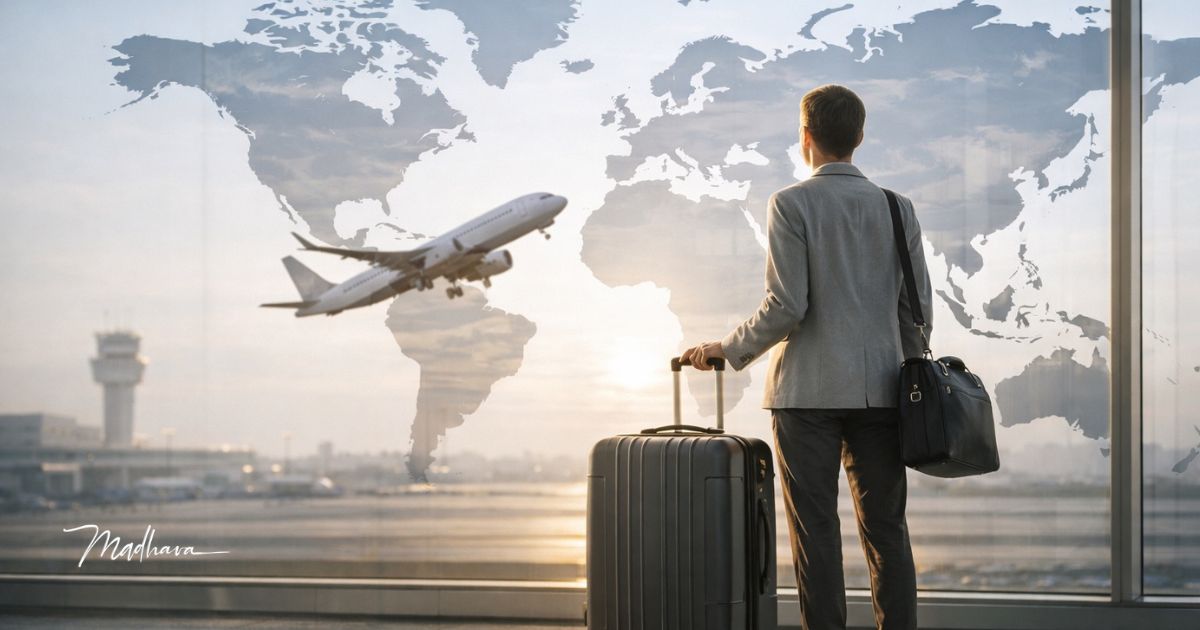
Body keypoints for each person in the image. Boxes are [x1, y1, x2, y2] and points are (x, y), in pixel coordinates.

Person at [680, 84, 931, 630]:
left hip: (807, 396)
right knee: (887, 530)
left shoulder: (791, 204)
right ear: (859, 137)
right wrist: (908, 379)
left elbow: (787, 306)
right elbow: (916, 312)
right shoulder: (897, 208)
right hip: (884, 392)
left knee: (815, 533)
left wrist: (726, 349)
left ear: (806, 136)